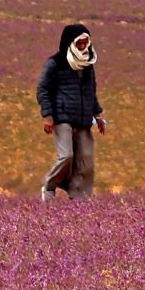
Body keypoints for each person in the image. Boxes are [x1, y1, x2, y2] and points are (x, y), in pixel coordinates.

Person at [36, 24, 107, 200]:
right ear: (70, 43)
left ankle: (79, 199)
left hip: (82, 118)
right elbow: (43, 89)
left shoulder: (88, 64)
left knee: (86, 160)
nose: (83, 47)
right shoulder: (56, 63)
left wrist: (97, 115)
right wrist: (48, 116)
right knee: (66, 155)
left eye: (85, 43)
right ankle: (49, 184)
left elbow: (91, 91)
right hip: (62, 117)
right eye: (79, 43)